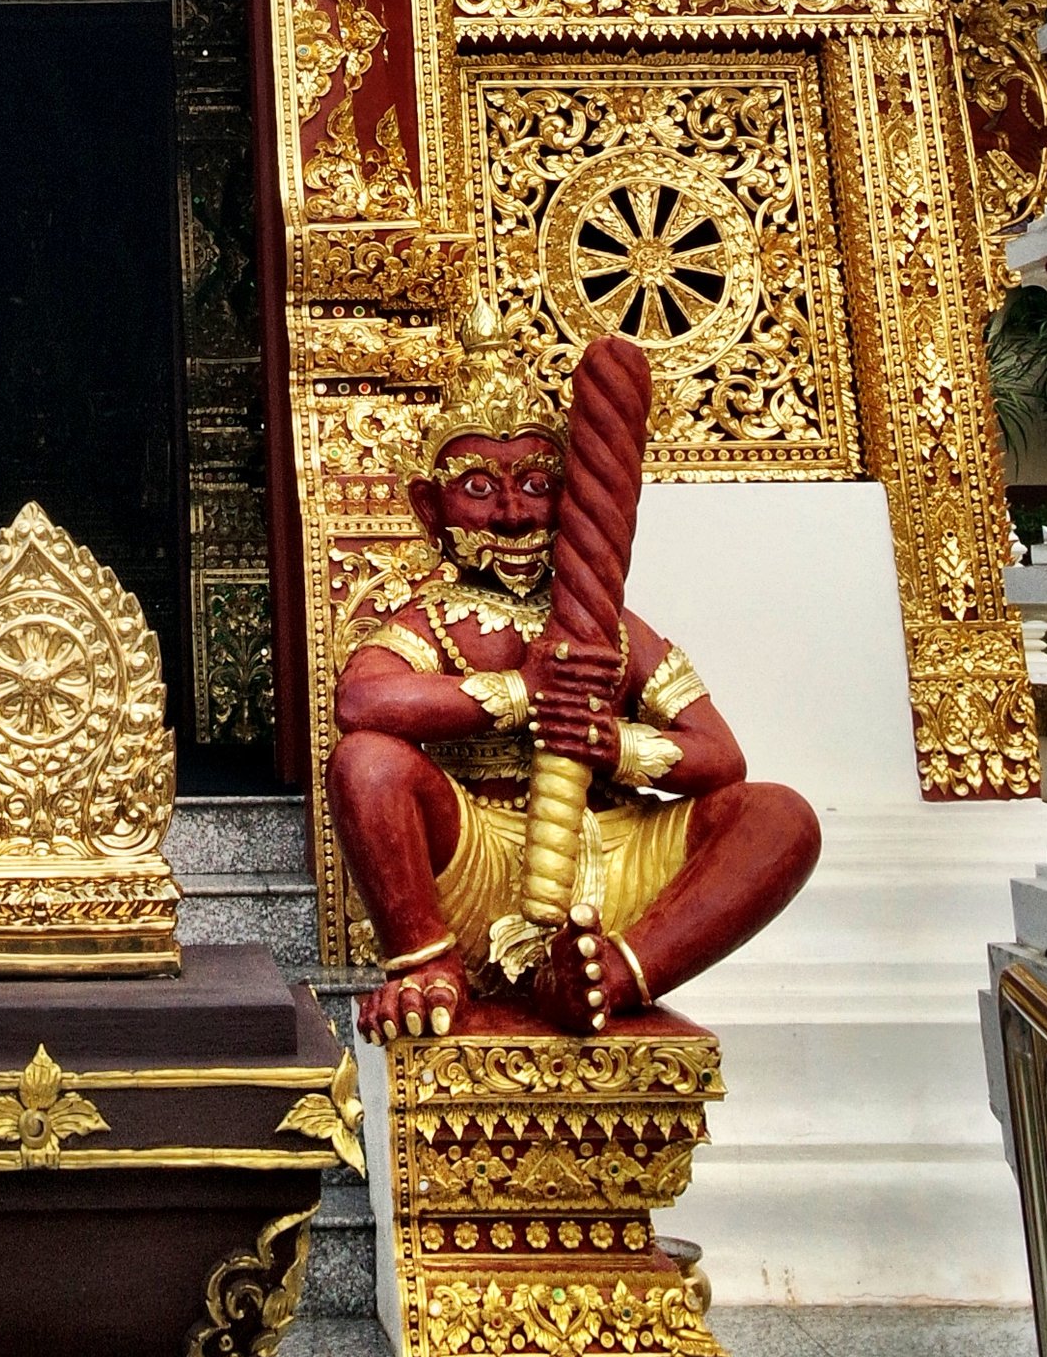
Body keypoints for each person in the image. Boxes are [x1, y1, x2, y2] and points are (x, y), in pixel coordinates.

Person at [325, 312, 819, 1040]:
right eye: (478, 489)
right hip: (484, 858)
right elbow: (362, 700)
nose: (513, 514)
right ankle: (429, 965)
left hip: (617, 862)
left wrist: (613, 744)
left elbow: (722, 757)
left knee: (782, 818)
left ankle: (610, 975)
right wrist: (519, 693)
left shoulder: (611, 630)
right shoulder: (430, 620)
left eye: (536, 484)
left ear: (569, 499)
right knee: (366, 764)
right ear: (430, 508)